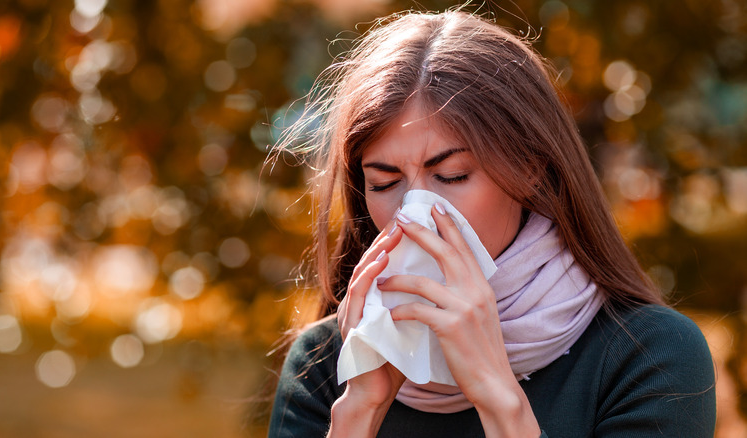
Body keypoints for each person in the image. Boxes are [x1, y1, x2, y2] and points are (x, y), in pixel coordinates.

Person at [267, 9, 716, 438]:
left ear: (531, 168)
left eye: (452, 176)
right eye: (384, 183)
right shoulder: (325, 364)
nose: (415, 212)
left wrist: (499, 397)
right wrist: (360, 411)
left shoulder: (647, 355)